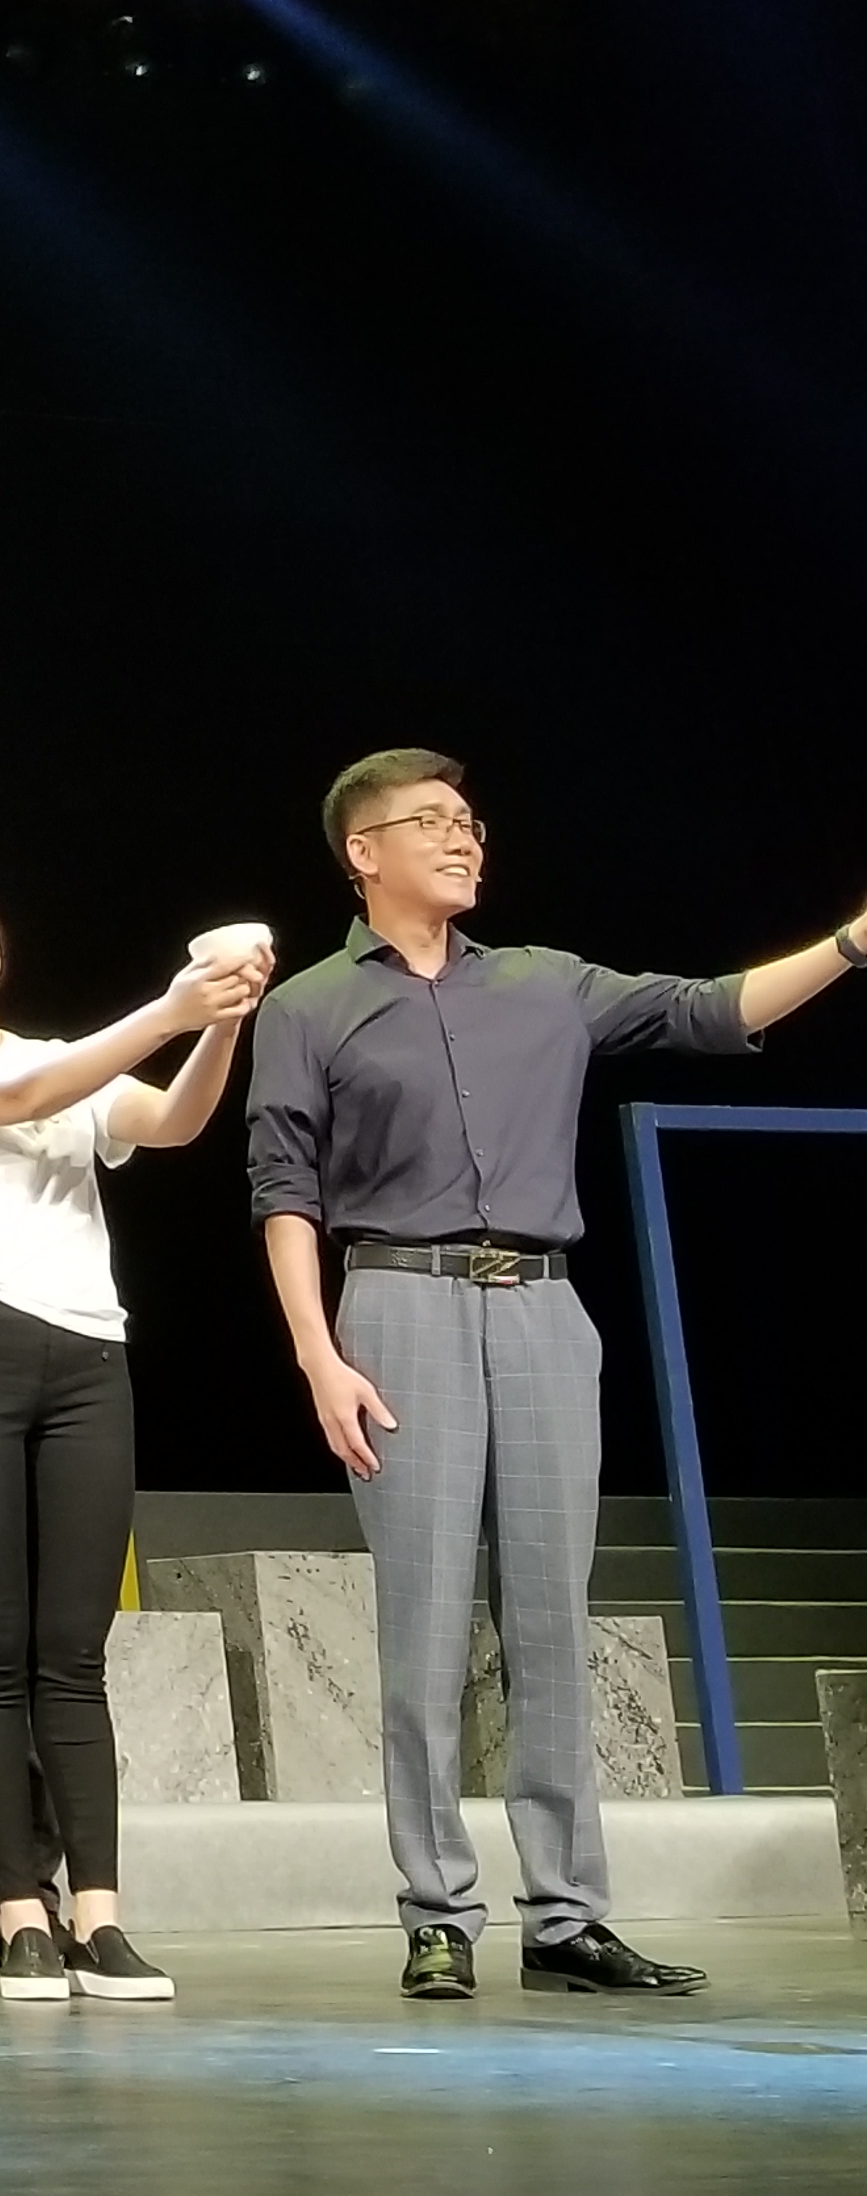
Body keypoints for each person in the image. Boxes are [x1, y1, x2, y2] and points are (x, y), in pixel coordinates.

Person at [245, 747, 865, 2001]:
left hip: (540, 1306)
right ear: (363, 852)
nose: (462, 838)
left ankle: (567, 1917)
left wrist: (852, 943)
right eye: (431, 821)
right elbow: (283, 1187)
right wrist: (317, 1353)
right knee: (422, 1626)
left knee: (550, 1620)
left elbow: (710, 1009)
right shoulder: (310, 1006)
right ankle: (436, 1911)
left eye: (471, 821)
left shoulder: (544, 982)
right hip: (398, 1302)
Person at [0, 864, 265, 2004]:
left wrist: (221, 1022)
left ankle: (100, 1917)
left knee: (74, 1655)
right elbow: (24, 1097)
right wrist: (171, 1008)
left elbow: (169, 1122)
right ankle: (19, 1917)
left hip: (88, 1354)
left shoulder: (60, 1054)